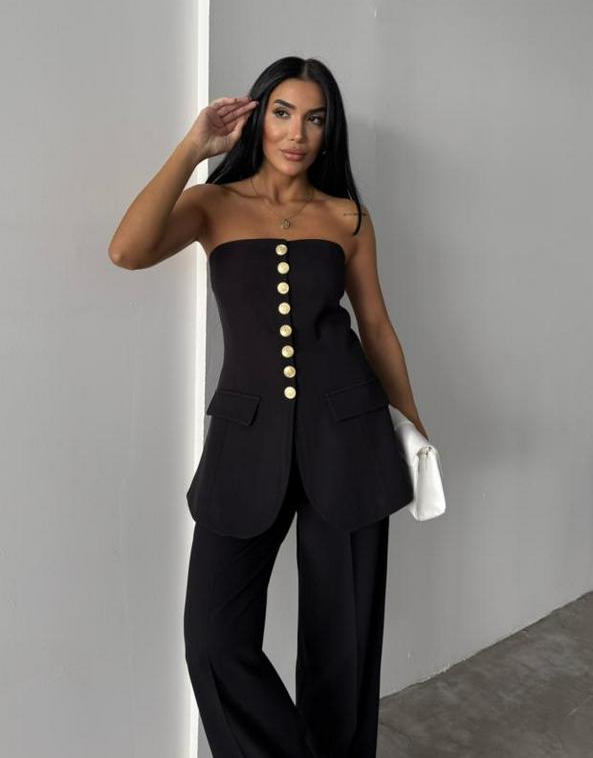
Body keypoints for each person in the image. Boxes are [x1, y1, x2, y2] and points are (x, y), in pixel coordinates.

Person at [108, 55, 429, 757]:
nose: (297, 133)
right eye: (283, 113)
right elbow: (127, 251)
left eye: (315, 118)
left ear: (329, 130)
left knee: (341, 652)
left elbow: (375, 326)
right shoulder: (213, 204)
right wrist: (193, 147)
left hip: (350, 438)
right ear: (257, 117)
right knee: (212, 639)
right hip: (244, 442)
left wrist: (412, 428)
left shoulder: (346, 217)